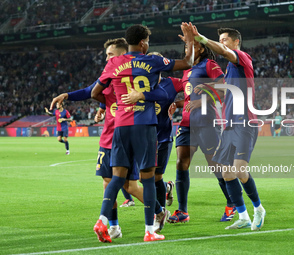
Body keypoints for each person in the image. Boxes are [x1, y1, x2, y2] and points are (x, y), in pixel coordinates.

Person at [49, 38, 169, 240]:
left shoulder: (131, 78)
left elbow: (158, 93)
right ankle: (114, 226)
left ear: (122, 55)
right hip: (108, 138)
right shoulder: (108, 77)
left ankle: (158, 211)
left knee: (130, 185)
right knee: (108, 183)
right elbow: (90, 91)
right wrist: (70, 97)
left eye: (110, 55)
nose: (107, 58)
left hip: (126, 135)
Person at [91, 23, 194, 242]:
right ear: (143, 43)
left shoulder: (113, 64)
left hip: (120, 127)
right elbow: (188, 62)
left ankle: (102, 220)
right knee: (147, 180)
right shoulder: (153, 61)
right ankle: (149, 231)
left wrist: (110, 105)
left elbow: (94, 92)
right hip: (145, 128)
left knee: (116, 179)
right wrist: (189, 42)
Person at [192, 24, 266, 230]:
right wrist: (208, 87)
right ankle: (243, 216)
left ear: (236, 42)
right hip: (230, 125)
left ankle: (258, 209)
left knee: (240, 170)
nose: (222, 43)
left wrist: (203, 40)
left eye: (225, 39)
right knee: (226, 173)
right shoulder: (231, 68)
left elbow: (224, 51)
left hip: (244, 123)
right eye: (221, 39)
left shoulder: (242, 58)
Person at [165, 40, 234, 223]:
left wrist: (202, 102)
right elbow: (190, 98)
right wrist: (177, 104)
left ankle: (232, 204)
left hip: (206, 121)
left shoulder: (209, 65)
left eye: (192, 46)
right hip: (187, 123)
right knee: (181, 163)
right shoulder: (187, 70)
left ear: (202, 48)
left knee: (215, 165)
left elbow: (224, 90)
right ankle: (182, 211)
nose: (187, 49)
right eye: (186, 47)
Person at [121, 52, 183, 217]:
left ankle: (160, 212)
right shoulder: (136, 85)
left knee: (155, 177)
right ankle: (166, 191)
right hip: (142, 136)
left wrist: (179, 103)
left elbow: (195, 90)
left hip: (163, 136)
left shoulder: (172, 83)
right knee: (143, 179)